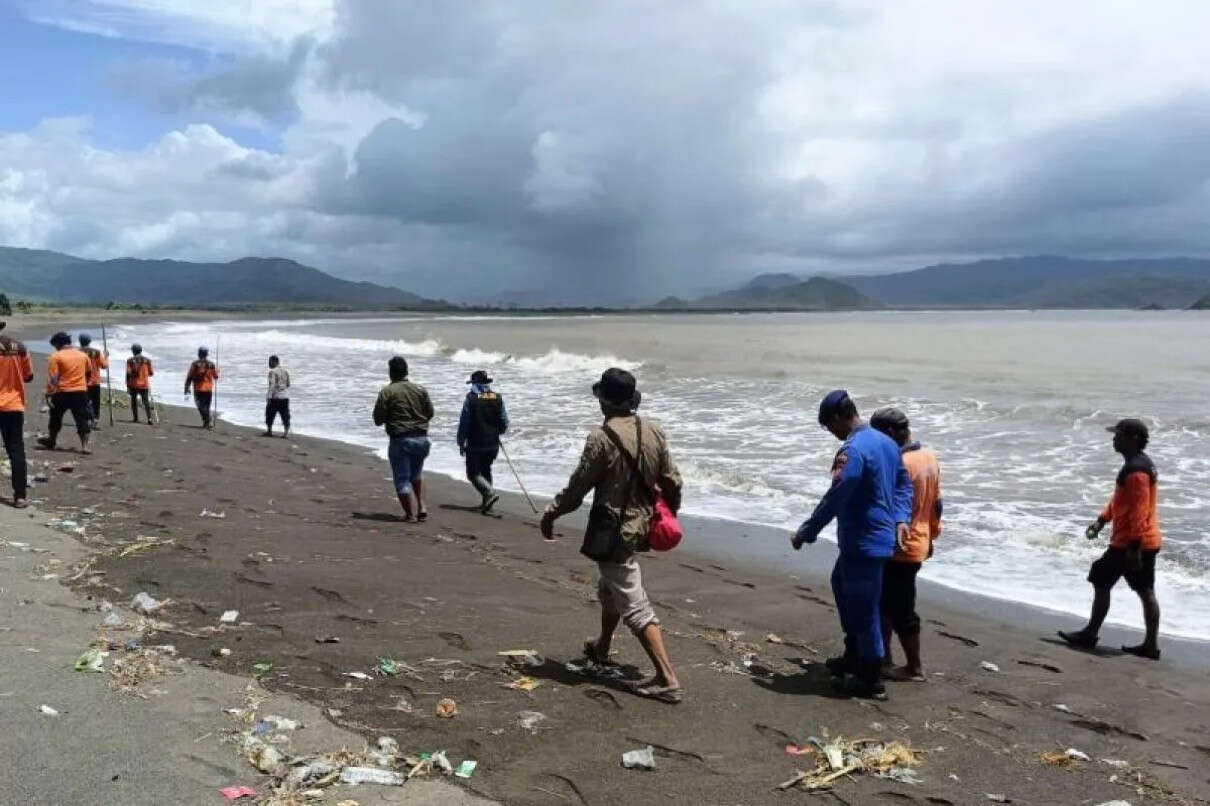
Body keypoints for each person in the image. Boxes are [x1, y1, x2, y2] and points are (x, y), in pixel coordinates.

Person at [540, 368, 685, 704]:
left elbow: (579, 486)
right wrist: (668, 512)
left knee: (634, 604)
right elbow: (673, 482)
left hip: (612, 529)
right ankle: (602, 647)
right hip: (642, 525)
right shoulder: (654, 431)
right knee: (610, 589)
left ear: (604, 401)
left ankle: (667, 677)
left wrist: (552, 513)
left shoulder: (601, 437)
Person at [792, 390, 912, 699]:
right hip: (873, 538)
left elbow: (838, 495)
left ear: (838, 419)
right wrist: (901, 518)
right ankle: (854, 652)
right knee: (841, 586)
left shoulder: (854, 450)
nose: (832, 434)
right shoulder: (886, 442)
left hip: (865, 540)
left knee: (863, 606)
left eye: (829, 427)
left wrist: (807, 531)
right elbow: (903, 484)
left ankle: (870, 677)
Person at [1058, 418, 1163, 660]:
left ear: (1133, 439)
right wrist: (1102, 519)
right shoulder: (1137, 465)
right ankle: (1150, 645)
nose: (1114, 438)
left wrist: (1134, 547)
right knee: (1144, 589)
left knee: (1102, 579)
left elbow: (1139, 510)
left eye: (1118, 435)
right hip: (1140, 541)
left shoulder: (1137, 470)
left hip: (1131, 543)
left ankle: (1090, 633)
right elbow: (1121, 501)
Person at [870, 407, 942, 682]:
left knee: (899, 608)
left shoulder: (900, 463)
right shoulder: (928, 456)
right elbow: (937, 502)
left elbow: (886, 505)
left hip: (900, 545)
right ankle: (884, 657)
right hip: (920, 539)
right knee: (886, 603)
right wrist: (933, 535)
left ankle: (914, 667)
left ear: (888, 434)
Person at [372, 356, 434, 522]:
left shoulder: (387, 392)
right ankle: (422, 507)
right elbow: (430, 413)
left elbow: (378, 419)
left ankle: (409, 514)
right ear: (407, 371)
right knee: (417, 474)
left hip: (401, 439)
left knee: (401, 478)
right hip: (422, 439)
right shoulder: (420, 389)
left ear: (391, 373)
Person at [457, 369, 509, 513]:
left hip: (475, 442)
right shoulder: (497, 397)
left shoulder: (471, 398)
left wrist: (461, 442)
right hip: (492, 443)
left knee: (472, 473)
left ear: (475, 383)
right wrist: (499, 432)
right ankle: (487, 503)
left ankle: (489, 494)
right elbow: (504, 421)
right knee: (486, 469)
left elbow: (464, 423)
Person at [37, 331, 93, 454]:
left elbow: (53, 377)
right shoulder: (83, 356)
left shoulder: (56, 356)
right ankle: (85, 446)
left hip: (62, 391)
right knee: (82, 418)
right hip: (80, 391)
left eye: (55, 345)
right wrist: (84, 385)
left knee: (55, 417)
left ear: (58, 344)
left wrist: (49, 394)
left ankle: (52, 440)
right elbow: (89, 373)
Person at [0, 321, 33, 507]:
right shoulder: (19, 347)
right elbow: (28, 376)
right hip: (14, 404)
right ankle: (20, 496)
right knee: (16, 450)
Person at [78, 332, 109, 429]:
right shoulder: (97, 352)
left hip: (82, 382)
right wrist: (106, 357)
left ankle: (85, 419)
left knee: (84, 402)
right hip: (95, 381)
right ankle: (95, 420)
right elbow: (104, 366)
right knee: (95, 403)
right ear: (89, 341)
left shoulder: (77, 352)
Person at [184, 347, 219, 428]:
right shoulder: (211, 364)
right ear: (207, 354)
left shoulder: (195, 364)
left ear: (199, 354)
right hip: (209, 388)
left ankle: (207, 420)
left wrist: (187, 387)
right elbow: (216, 376)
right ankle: (207, 422)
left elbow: (190, 376)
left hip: (198, 388)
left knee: (200, 406)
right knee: (206, 406)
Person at [125, 344, 155, 424]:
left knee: (134, 401)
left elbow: (128, 373)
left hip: (134, 384)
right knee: (146, 402)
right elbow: (151, 373)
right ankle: (149, 419)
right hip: (144, 384)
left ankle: (135, 418)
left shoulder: (130, 360)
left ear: (133, 351)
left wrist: (127, 385)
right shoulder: (147, 360)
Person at [264, 355, 291, 438]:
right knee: (285, 414)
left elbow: (272, 385)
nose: (268, 363)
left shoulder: (272, 372)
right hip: (285, 396)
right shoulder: (285, 371)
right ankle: (286, 433)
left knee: (270, 414)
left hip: (275, 397)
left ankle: (269, 431)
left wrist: (268, 397)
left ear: (274, 362)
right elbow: (288, 384)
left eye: (270, 361)